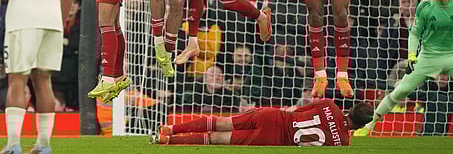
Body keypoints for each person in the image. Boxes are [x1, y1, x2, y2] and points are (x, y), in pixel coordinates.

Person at [355, 0, 453, 136]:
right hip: (429, 57)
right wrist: (413, 56)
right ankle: (369, 125)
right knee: (400, 90)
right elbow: (413, 35)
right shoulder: (425, 6)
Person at [0, 0, 74, 154]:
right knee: (44, 82)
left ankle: (12, 145)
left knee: (17, 80)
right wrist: (62, 21)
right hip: (51, 20)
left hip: (22, 18)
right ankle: (43, 145)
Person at [151, 99, 373, 146]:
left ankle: (170, 128)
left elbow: (296, 109)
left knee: (220, 123)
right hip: (274, 139)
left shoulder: (331, 106)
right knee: (218, 139)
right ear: (360, 126)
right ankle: (167, 141)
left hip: (274, 116)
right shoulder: (342, 143)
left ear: (350, 109)